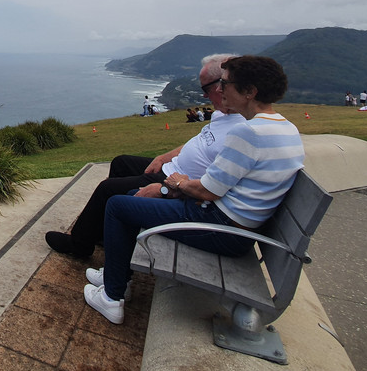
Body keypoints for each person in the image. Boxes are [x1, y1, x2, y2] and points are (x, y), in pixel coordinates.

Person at [83, 55, 305, 325]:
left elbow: (208, 191)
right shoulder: (286, 128)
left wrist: (173, 185)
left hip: (220, 228)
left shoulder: (248, 133)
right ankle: (118, 279)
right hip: (235, 226)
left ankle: (111, 298)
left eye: (226, 84)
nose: (220, 91)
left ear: (249, 92)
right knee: (131, 198)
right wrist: (176, 187)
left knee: (117, 206)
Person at [44, 54, 239, 260]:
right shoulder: (223, 114)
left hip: (176, 180)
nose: (206, 97)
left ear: (224, 85)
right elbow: (198, 143)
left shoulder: (241, 131)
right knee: (121, 162)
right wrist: (163, 157)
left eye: (207, 89)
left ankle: (80, 245)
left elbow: (214, 185)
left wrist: (167, 190)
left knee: (106, 189)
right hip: (171, 167)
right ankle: (103, 231)